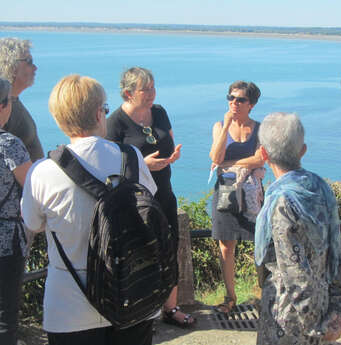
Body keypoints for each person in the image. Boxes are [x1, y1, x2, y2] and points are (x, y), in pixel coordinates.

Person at [21, 75, 158, 345]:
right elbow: (149, 201)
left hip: (70, 304)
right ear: (98, 113)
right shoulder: (131, 157)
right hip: (131, 295)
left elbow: (33, 223)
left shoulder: (42, 172)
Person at [105, 67, 192, 327]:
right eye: (146, 89)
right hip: (134, 200)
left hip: (164, 193)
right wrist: (142, 164)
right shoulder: (115, 123)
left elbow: (167, 141)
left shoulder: (160, 112)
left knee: (170, 248)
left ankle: (170, 307)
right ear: (128, 93)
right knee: (139, 253)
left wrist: (171, 157)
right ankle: (141, 313)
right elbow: (111, 167)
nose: (152, 93)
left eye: (153, 87)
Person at [255, 112, 341, 345]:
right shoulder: (320, 187)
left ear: (264, 154)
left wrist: (316, 327)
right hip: (324, 302)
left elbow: (294, 272)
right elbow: (337, 252)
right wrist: (336, 312)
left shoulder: (281, 201)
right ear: (303, 150)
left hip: (287, 314)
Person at [209, 81, 265, 313]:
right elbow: (215, 155)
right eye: (230, 97)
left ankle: (265, 294)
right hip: (225, 193)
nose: (234, 102)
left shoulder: (260, 129)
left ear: (250, 104)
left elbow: (260, 159)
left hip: (252, 193)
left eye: (240, 99)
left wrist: (229, 163)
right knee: (226, 245)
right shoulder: (219, 125)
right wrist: (225, 128)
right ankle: (229, 297)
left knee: (260, 243)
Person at [0, 73, 31, 345]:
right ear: (1, 106)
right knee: (2, 320)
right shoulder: (8, 144)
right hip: (5, 244)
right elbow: (32, 190)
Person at [0, 37, 43, 162]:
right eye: (29, 61)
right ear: (10, 64)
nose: (35, 68)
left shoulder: (12, 101)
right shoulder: (0, 107)